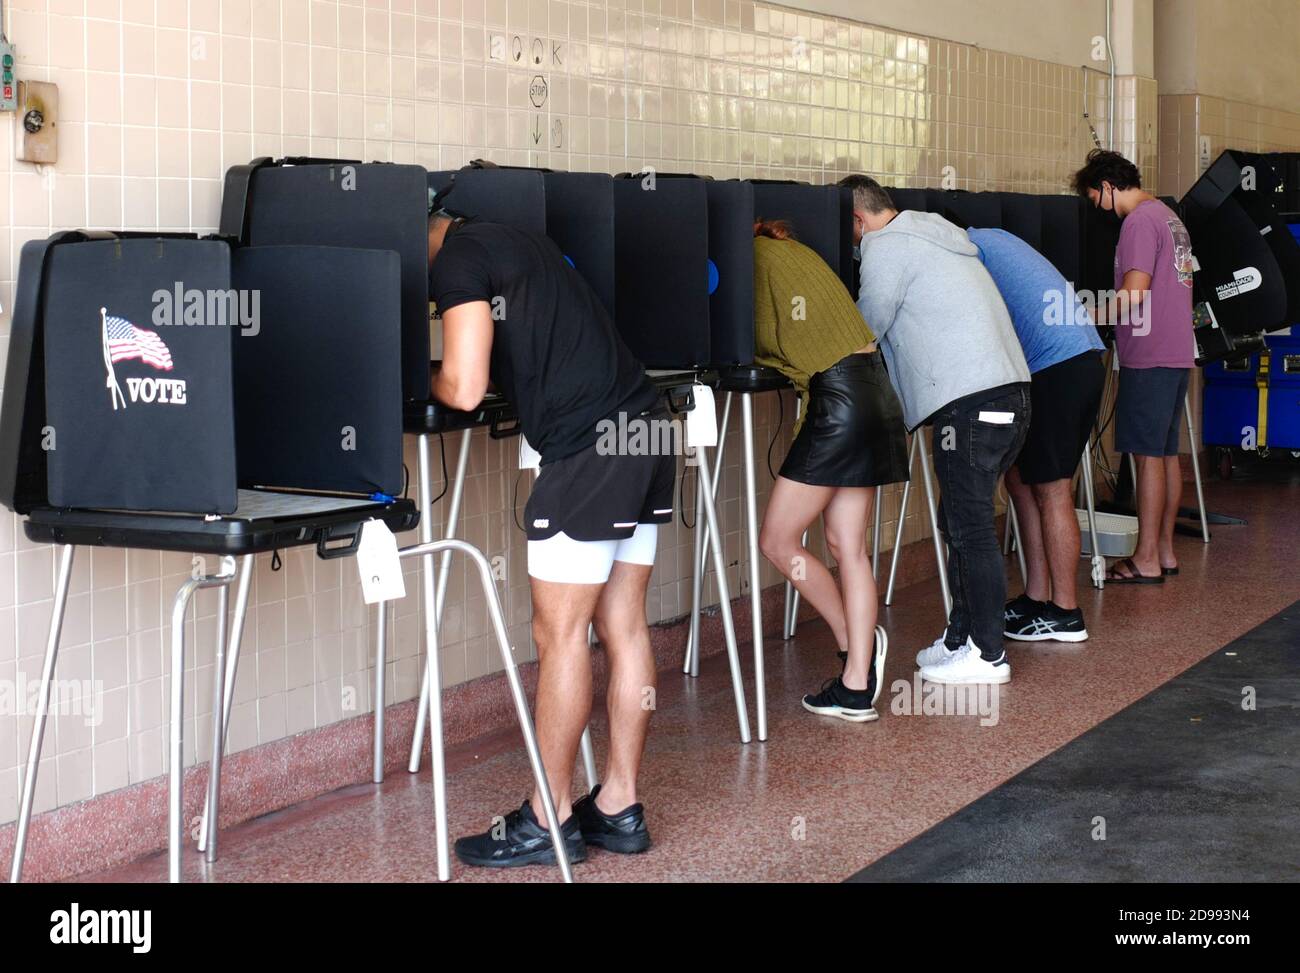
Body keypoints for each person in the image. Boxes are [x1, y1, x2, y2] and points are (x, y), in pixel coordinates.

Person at [427, 204, 673, 867]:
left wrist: (413, 377)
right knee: (623, 625)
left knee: (559, 634)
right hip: (646, 426)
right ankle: (619, 804)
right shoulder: (519, 238)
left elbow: (465, 384)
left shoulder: (455, 259)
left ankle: (548, 814)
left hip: (590, 451)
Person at [841, 175, 1031, 686]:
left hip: (972, 403)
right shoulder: (937, 237)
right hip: (1008, 393)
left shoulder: (884, 249)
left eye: (849, 233)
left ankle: (989, 655)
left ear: (858, 220)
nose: (853, 246)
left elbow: (866, 329)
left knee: (969, 527)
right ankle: (960, 638)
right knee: (957, 518)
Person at [751, 219, 908, 723]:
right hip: (876, 391)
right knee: (849, 548)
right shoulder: (795, 250)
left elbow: (753, 335)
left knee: (778, 542)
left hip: (837, 402)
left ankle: (853, 641)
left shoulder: (749, 262)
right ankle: (856, 683)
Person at [962, 223, 1106, 642]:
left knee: (1053, 488)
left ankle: (1066, 611)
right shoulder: (997, 238)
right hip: (1074, 362)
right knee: (1021, 480)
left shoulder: (969, 251)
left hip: (1058, 371)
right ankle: (1036, 596)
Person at [1071, 149, 1195, 585]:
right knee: (1163, 455)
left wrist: (1079, 314)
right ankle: (1162, 552)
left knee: (1146, 458)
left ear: (1108, 186)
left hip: (1150, 350)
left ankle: (1144, 559)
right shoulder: (1167, 215)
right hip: (1176, 348)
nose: (1097, 209)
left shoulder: (1139, 222)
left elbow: (1133, 294)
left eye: (1094, 199)